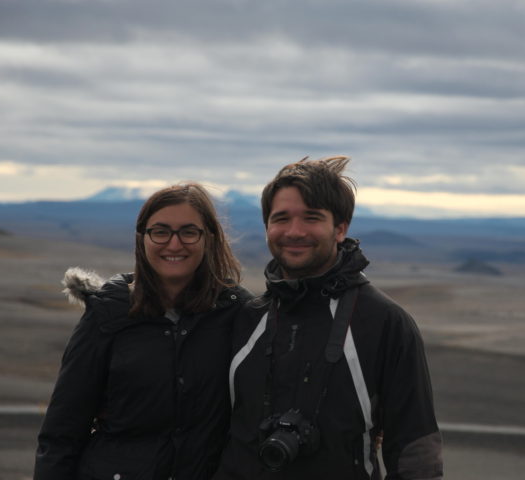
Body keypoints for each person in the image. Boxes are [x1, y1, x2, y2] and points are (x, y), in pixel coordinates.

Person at [215, 157, 443, 479]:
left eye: (311, 218)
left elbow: (416, 456)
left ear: (340, 229)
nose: (294, 231)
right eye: (281, 218)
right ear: (267, 226)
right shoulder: (246, 319)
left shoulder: (384, 324)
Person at [35, 183, 252, 480]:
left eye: (189, 232)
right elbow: (62, 432)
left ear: (209, 238)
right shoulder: (108, 314)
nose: (174, 245)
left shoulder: (237, 313)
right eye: (160, 231)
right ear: (142, 238)